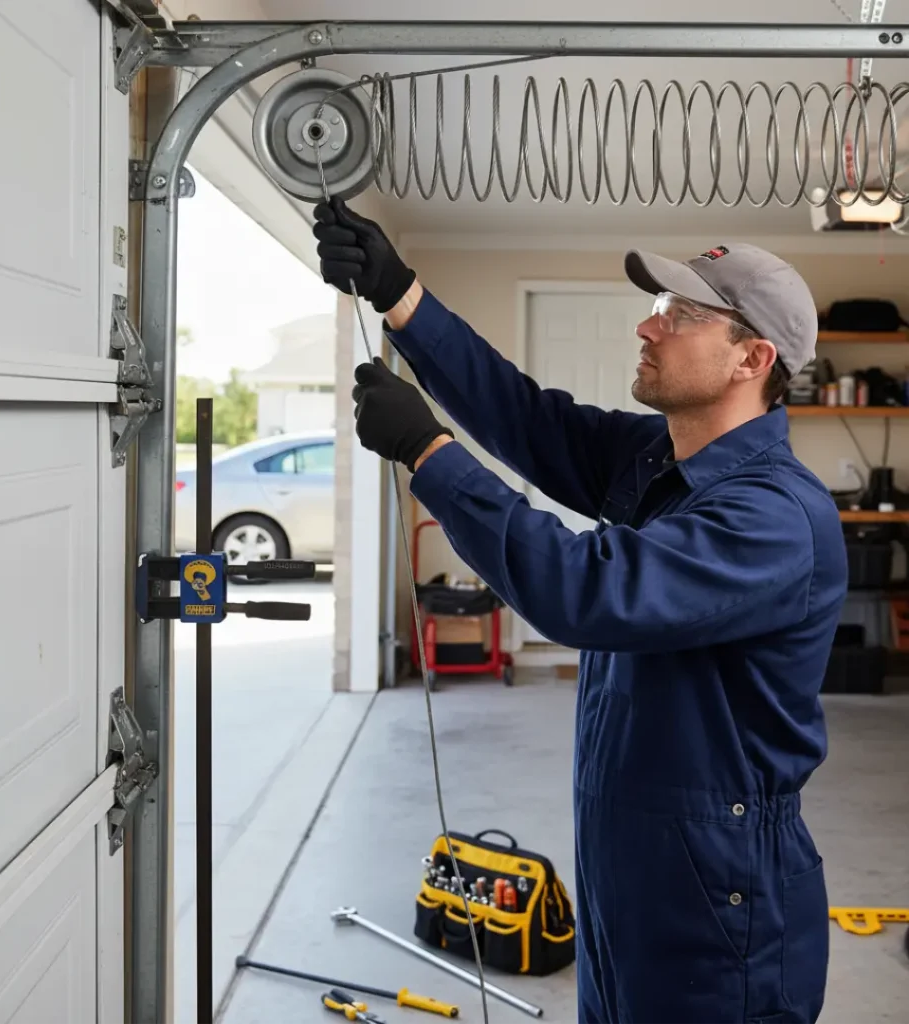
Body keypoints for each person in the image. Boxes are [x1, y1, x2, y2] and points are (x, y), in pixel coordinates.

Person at [312, 198, 848, 1024]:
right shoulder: (658, 458)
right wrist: (400, 295)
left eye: (681, 314)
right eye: (656, 309)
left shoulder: (775, 519)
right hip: (628, 873)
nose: (649, 328)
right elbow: (529, 418)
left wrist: (429, 452)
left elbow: (585, 590)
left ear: (752, 358)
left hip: (720, 899)